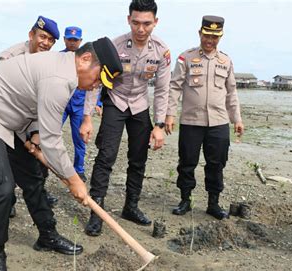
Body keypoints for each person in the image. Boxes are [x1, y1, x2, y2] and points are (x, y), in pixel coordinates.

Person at [0, 37, 122, 271]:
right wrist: (74, 179)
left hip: (11, 120)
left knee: (34, 176)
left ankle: (47, 235)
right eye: (99, 78)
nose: (95, 85)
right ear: (85, 59)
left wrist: (33, 133)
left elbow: (33, 105)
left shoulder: (63, 69)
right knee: (1, 187)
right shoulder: (59, 79)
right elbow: (53, 141)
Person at [80, 0, 171, 236]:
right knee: (106, 156)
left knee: (138, 159)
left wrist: (159, 125)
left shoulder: (161, 50)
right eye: (136, 23)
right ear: (128, 20)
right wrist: (87, 118)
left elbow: (162, 90)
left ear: (155, 22)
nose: (141, 29)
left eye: (147, 24)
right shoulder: (115, 46)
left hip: (140, 105)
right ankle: (97, 212)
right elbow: (94, 83)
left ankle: (130, 207)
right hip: (116, 102)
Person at [165, 15, 244, 220]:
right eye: (207, 35)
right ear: (200, 33)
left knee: (217, 163)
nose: (210, 40)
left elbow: (231, 92)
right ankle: (185, 200)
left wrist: (237, 119)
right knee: (187, 162)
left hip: (219, 122)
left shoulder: (225, 61)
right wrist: (170, 115)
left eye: (215, 37)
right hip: (191, 121)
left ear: (221, 37)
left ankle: (213, 203)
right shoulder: (186, 58)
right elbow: (174, 87)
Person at [0, 15, 61, 217]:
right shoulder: (10, 57)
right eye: (43, 37)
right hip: (5, 119)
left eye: (51, 40)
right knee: (6, 163)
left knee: (40, 160)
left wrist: (37, 132)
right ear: (31, 34)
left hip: (32, 119)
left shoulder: (49, 62)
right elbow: (9, 98)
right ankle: (9, 201)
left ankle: (40, 193)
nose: (46, 43)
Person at [61, 26, 96, 182]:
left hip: (79, 105)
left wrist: (98, 103)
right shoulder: (58, 58)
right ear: (64, 39)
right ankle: (46, 166)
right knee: (49, 134)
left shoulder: (87, 60)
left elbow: (95, 82)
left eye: (75, 40)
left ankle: (79, 169)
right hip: (61, 104)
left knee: (80, 139)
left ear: (80, 41)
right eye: (70, 39)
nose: (72, 43)